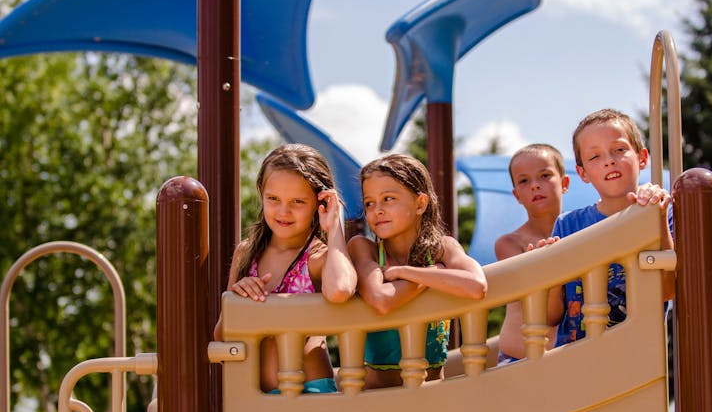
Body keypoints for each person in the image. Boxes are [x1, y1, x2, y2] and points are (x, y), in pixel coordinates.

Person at [213, 144, 357, 394]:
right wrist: (236, 301)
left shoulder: (317, 257)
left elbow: (341, 290)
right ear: (261, 193)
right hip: (255, 397)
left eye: (298, 202)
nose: (283, 211)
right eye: (273, 199)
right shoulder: (247, 253)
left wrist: (333, 227)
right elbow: (221, 337)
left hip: (311, 393)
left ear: (319, 202)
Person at [348, 154, 487, 389]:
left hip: (433, 394)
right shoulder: (364, 248)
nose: (377, 210)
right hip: (377, 398)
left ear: (420, 204)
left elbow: (476, 286)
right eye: (369, 203)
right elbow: (381, 299)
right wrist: (435, 275)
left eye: (388, 199)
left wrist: (409, 273)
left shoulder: (443, 247)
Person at [545, 108, 674, 347]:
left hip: (637, 353)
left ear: (642, 158)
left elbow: (667, 290)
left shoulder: (662, 211)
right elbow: (551, 316)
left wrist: (655, 218)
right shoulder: (568, 224)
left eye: (619, 150)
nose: (609, 160)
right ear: (583, 173)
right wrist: (548, 268)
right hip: (575, 357)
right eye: (595, 157)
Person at [494, 144, 569, 364]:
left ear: (564, 183)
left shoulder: (579, 230)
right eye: (524, 181)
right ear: (517, 195)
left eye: (545, 176)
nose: (535, 185)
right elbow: (543, 315)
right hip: (518, 355)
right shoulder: (510, 244)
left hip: (563, 348)